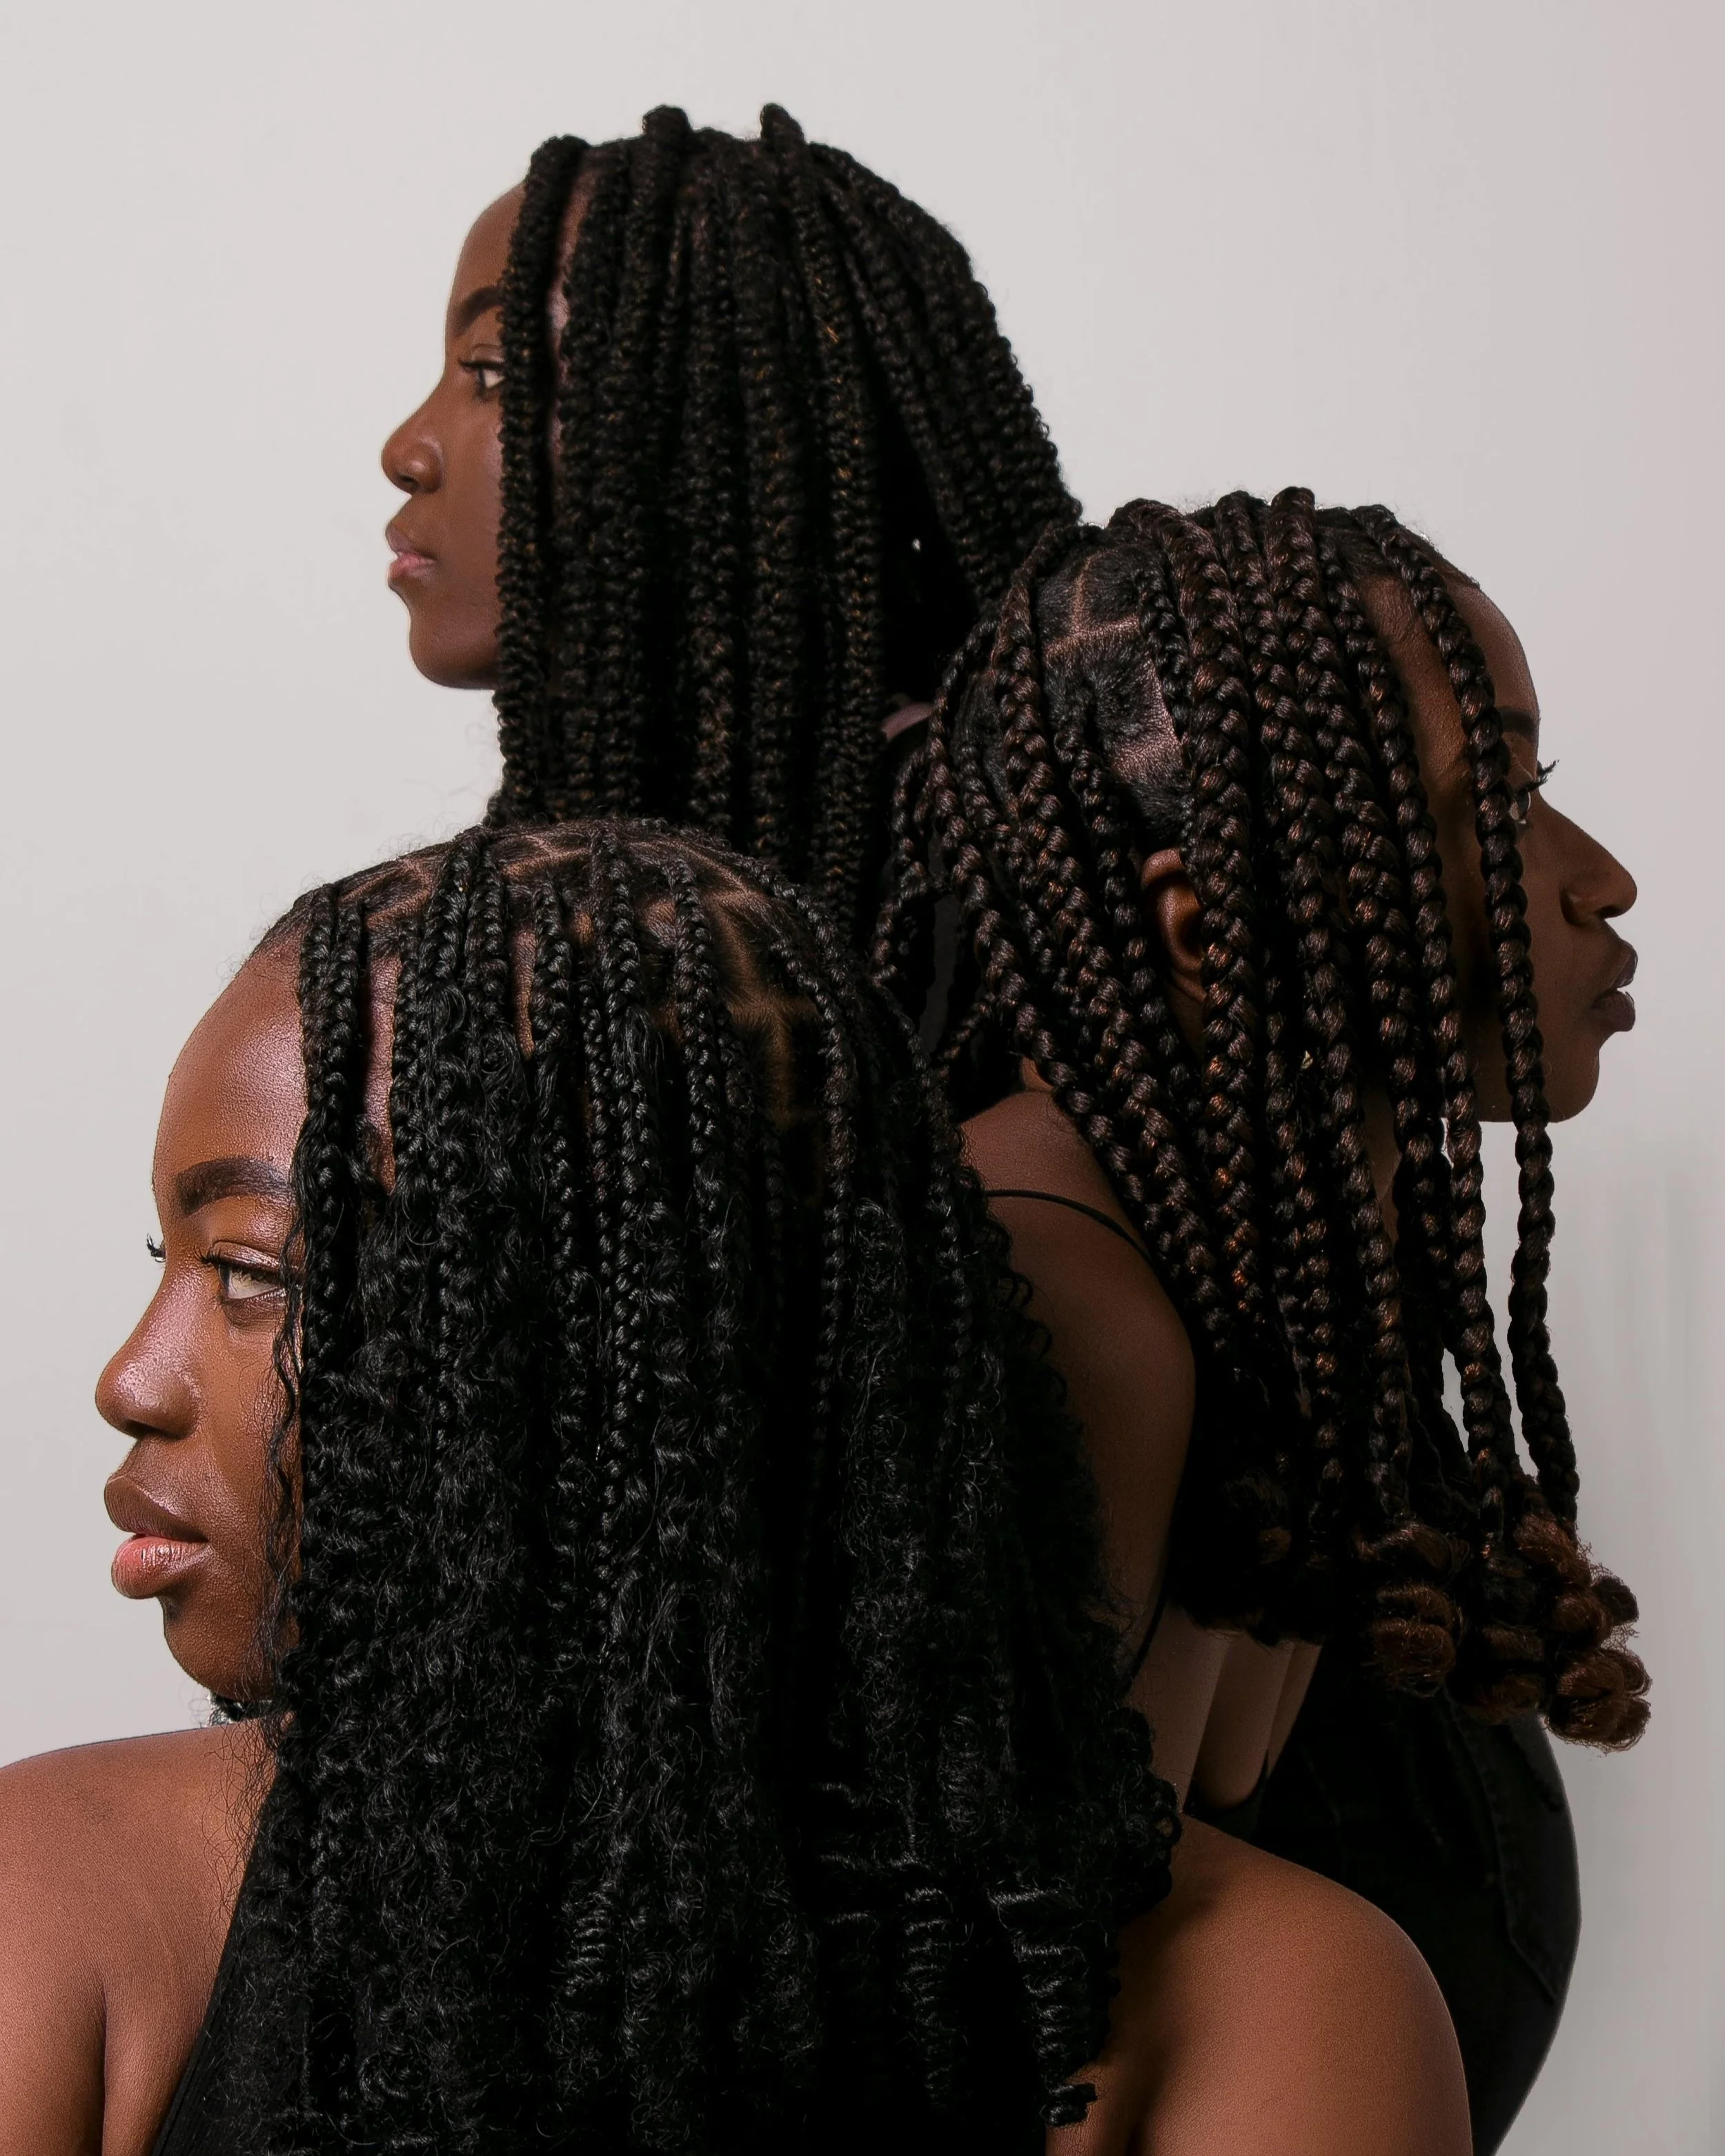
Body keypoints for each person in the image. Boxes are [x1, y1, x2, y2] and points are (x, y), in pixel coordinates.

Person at [380, 117, 1587, 2137]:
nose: (416, 441)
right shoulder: (817, 927)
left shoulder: (919, 987)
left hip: (1239, 1952)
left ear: (745, 438)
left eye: (499, 370)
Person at [0, 822, 1170, 2153]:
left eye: (255, 1276)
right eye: (167, 1256)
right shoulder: (56, 1902)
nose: (131, 1378)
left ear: (627, 1352)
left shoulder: (1273, 2003)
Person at [876, 489, 1648, 2149]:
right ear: (1209, 929)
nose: (1599, 882)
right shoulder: (1051, 1302)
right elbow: (1008, 2060)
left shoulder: (1258, 1273)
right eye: (1492, 799)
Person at [382, 104, 1071, 941]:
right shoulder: (622, 843)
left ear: (711, 425)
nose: (405, 451)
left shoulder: (980, 857)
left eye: (491, 372)